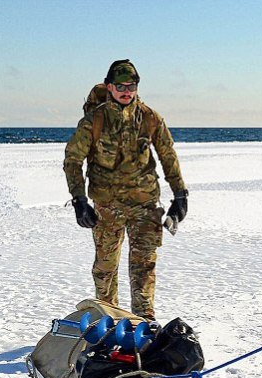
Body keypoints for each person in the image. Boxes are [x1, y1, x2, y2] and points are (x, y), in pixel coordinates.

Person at [63, 59, 188, 322]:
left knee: (144, 266)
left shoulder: (150, 117)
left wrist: (180, 194)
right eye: (120, 86)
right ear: (109, 86)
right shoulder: (94, 120)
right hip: (108, 206)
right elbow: (73, 159)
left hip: (145, 205)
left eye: (131, 86)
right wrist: (79, 199)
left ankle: (144, 322)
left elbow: (167, 155)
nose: (126, 91)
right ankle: (109, 320)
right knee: (106, 267)